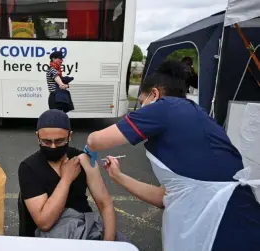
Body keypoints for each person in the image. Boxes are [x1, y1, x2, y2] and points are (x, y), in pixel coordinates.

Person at [84, 60, 260, 251]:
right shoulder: (195, 115)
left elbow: (95, 140)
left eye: (142, 103)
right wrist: (119, 177)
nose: (141, 109)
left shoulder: (163, 108)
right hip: (235, 214)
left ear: (154, 93)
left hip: (220, 219)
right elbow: (165, 197)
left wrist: (89, 151)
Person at [18, 109, 117, 240]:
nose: (53, 147)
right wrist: (66, 179)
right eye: (46, 142)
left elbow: (105, 204)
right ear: (37, 136)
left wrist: (107, 246)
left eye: (60, 141)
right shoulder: (28, 168)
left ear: (70, 136)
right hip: (46, 239)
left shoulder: (83, 160)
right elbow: (44, 222)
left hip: (85, 229)